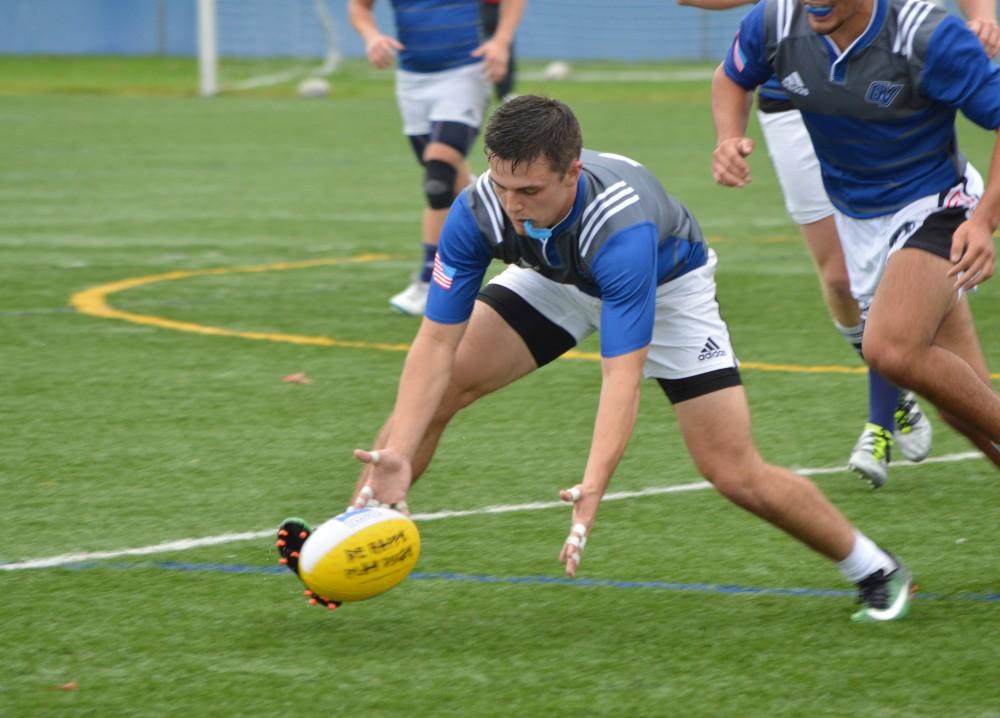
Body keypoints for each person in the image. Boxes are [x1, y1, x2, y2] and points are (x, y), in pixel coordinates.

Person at [279, 96, 914, 621]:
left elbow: (621, 376)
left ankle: (873, 566)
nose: (512, 205)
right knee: (434, 397)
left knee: (732, 469)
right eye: (502, 186)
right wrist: (398, 453)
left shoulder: (622, 231)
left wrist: (593, 485)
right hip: (555, 280)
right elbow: (435, 344)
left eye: (528, 190)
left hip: (665, 294)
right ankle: (349, 536)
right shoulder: (480, 209)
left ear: (572, 172)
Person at [680, 0, 998, 487]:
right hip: (858, 218)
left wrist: (982, 223)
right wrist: (727, 138)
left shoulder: (927, 35)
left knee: (890, 348)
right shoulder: (775, 22)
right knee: (961, 403)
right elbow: (731, 76)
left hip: (936, 204)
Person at [347, 0, 525, 315]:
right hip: (411, 81)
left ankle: (430, 280)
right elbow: (360, 7)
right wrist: (372, 37)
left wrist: (500, 41)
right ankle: (487, 205)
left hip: (465, 73)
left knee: (438, 181)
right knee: (446, 177)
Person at [481, 0, 518, 102]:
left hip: (505, 5)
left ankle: (505, 93)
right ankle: (482, 88)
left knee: (506, 49)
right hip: (480, 6)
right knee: (480, 49)